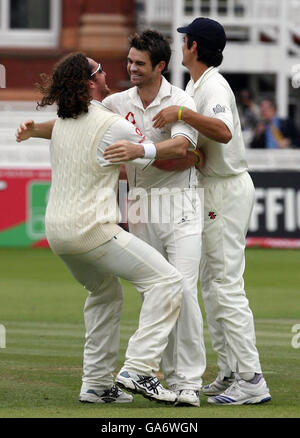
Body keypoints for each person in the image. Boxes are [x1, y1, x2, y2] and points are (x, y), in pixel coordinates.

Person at [18, 31, 207, 408]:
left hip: (57, 234)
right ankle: (138, 368)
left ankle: (96, 383)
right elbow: (161, 156)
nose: (113, 73)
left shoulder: (67, 120)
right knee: (168, 282)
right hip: (93, 230)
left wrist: (36, 129)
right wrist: (191, 157)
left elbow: (65, 127)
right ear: (91, 82)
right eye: (101, 70)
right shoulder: (113, 121)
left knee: (104, 294)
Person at [106, 18, 272, 406]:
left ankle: (251, 378)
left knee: (225, 285)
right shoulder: (197, 85)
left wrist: (181, 117)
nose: (182, 45)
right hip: (211, 186)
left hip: (224, 187)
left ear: (193, 46)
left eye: (185, 40)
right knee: (214, 287)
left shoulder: (212, 83)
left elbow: (224, 132)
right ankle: (232, 371)